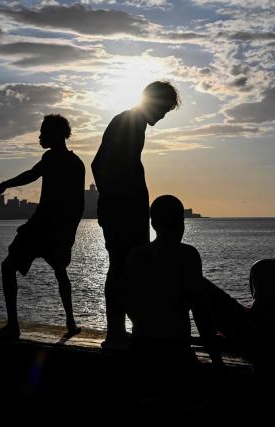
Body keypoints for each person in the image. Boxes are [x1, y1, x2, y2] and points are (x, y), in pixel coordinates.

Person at [91, 81, 180, 348]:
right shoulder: (128, 121)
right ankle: (117, 332)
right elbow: (99, 163)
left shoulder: (134, 123)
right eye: (163, 109)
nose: (163, 115)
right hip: (124, 210)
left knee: (128, 266)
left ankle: (125, 329)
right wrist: (114, 199)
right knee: (122, 266)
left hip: (128, 207)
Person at [0, 114, 85, 340]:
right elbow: (33, 175)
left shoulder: (65, 162)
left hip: (45, 228)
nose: (39, 137)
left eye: (43, 132)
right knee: (59, 272)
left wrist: (3, 185)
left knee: (10, 267)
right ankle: (70, 322)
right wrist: (4, 184)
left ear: (57, 134)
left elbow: (76, 204)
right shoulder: (63, 160)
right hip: (50, 228)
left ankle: (14, 326)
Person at [123, 195, 222, 372]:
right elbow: (200, 310)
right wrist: (216, 358)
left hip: (140, 346)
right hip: (175, 348)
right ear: (181, 223)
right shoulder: (187, 255)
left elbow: (128, 303)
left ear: (153, 224)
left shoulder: (136, 255)